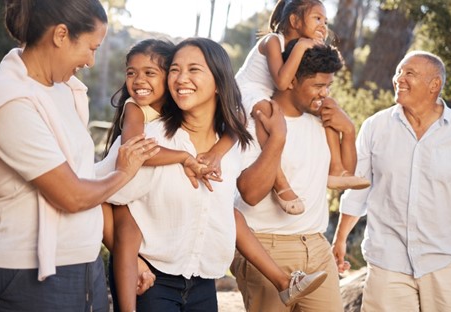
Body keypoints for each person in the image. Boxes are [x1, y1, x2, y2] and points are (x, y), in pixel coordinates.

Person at [100, 38, 327, 312]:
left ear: (219, 82)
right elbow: (103, 197)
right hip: (153, 281)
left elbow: (238, 196)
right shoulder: (149, 140)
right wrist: (133, 260)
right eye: (174, 69)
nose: (182, 78)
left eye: (194, 69)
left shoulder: (230, 144)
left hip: (203, 281)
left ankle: (282, 281)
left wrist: (273, 139)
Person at [0, 0, 160, 311]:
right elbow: (72, 195)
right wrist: (123, 173)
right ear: (60, 35)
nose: (91, 61)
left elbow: (83, 176)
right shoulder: (10, 100)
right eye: (90, 48)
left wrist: (125, 254)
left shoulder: (64, 89)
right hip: (23, 278)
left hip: (83, 267)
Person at [332, 51, 451, 311]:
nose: (399, 79)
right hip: (388, 259)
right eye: (399, 72)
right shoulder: (375, 127)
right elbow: (357, 189)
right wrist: (340, 238)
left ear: (435, 85)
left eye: (410, 73)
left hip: (442, 260)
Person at [232, 40, 352, 311]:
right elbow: (250, 194)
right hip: (266, 246)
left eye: (328, 86)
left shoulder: (321, 122)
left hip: (316, 246)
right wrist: (277, 138)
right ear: (291, 81)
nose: (325, 94)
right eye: (318, 86)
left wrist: (350, 131)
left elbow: (345, 176)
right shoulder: (255, 121)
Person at [234, 0, 369, 215]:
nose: (323, 26)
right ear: (294, 21)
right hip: (247, 91)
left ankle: (336, 169)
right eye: (317, 18)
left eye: (325, 21)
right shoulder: (273, 41)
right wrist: (304, 45)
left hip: (270, 91)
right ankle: (281, 185)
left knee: (328, 108)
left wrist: (349, 130)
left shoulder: (296, 50)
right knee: (268, 115)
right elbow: (282, 82)